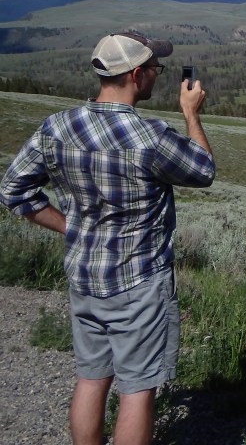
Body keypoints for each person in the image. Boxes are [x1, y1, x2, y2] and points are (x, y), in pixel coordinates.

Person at [0, 31, 216, 445]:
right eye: (155, 68)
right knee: (136, 391)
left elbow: (14, 191)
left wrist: (71, 226)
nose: (157, 74)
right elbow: (203, 170)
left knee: (90, 378)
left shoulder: (56, 128)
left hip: (82, 275)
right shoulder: (149, 136)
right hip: (138, 279)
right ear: (137, 75)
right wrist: (191, 114)